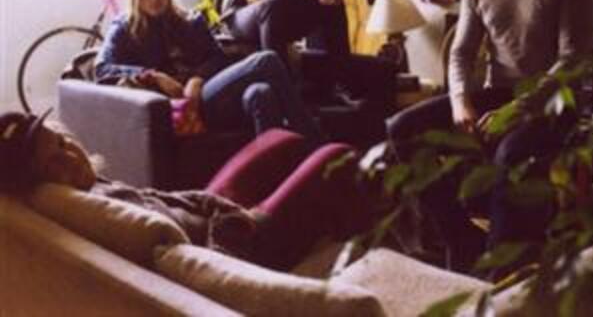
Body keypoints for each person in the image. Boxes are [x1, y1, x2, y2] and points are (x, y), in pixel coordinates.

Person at [387, 0, 593, 273]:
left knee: (509, 151)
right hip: (497, 94)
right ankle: (459, 236)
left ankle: (495, 271)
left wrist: (517, 111)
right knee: (401, 129)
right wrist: (460, 102)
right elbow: (461, 52)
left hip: (554, 104)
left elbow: (572, 61)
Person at [0, 112, 369, 270]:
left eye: (62, 142)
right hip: (239, 239)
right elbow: (205, 260)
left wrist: (209, 201)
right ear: (33, 180)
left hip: (205, 214)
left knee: (281, 139)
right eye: (53, 162)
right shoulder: (97, 213)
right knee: (339, 157)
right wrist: (235, 218)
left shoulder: (78, 191)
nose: (71, 156)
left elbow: (160, 201)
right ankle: (356, 246)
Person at [95, 0, 319, 139]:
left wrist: (198, 78)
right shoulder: (124, 28)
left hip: (204, 96)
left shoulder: (189, 21)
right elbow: (101, 69)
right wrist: (154, 76)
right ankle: (314, 143)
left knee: (260, 93)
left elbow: (218, 58)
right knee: (266, 60)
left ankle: (275, 168)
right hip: (170, 107)